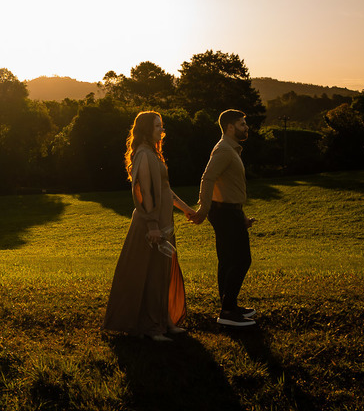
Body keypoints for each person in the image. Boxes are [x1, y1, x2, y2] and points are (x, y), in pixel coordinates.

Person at [103, 111, 199, 341]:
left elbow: (166, 190)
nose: (162, 130)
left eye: (161, 126)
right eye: (157, 126)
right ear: (146, 129)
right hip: (151, 224)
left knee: (162, 273)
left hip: (164, 222)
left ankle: (164, 320)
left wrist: (187, 209)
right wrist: (153, 224)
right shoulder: (144, 154)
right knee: (152, 274)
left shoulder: (154, 154)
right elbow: (144, 192)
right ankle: (151, 326)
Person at [192, 109, 258, 327]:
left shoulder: (231, 149)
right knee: (241, 260)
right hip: (225, 212)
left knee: (229, 261)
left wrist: (242, 216)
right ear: (230, 127)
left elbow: (229, 187)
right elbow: (208, 177)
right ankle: (228, 311)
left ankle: (229, 306)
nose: (246, 127)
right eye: (242, 124)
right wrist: (204, 208)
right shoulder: (224, 150)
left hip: (230, 211)